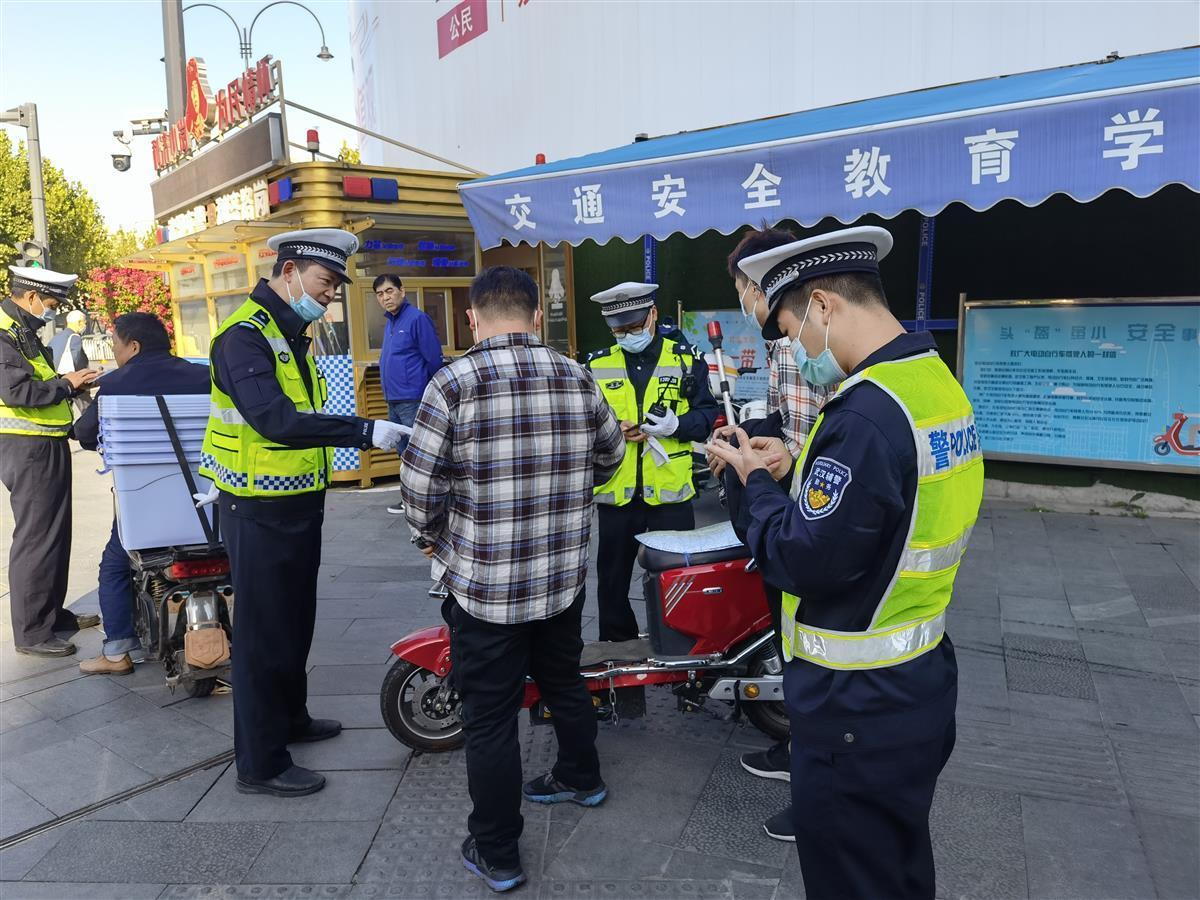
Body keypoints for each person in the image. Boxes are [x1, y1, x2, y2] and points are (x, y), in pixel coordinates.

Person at [708, 226, 983, 900]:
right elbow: (887, 507)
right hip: (917, 681)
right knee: (896, 869)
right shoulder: (931, 381)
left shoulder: (865, 415)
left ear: (824, 306)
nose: (799, 350)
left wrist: (753, 484)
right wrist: (793, 469)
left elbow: (802, 560)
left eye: (792, 330)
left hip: (856, 705)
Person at [401, 267, 624, 893]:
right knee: (564, 679)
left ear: (473, 318)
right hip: (560, 576)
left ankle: (498, 851)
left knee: (491, 718)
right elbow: (611, 454)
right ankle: (581, 776)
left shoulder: (452, 384)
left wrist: (429, 536)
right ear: (535, 316)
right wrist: (567, 491)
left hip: (485, 586)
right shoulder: (578, 376)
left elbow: (419, 486)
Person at [198, 229, 408, 798]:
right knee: (264, 636)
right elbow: (275, 420)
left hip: (295, 505)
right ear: (288, 271)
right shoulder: (243, 337)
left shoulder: (290, 334)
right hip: (255, 509)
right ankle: (260, 762)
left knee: (295, 622)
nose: (330, 295)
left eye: (336, 286)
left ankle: (291, 718)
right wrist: (364, 430)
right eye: (325, 282)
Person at [710, 227, 833, 843]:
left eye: (745, 289)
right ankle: (797, 754)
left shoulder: (822, 347)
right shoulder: (788, 347)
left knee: (814, 657)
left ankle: (818, 794)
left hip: (817, 517)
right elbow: (794, 428)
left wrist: (786, 459)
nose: (747, 304)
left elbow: (836, 441)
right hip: (790, 504)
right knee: (791, 644)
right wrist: (768, 445)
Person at [74, 312, 210, 675]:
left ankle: (117, 652)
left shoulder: (115, 384)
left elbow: (85, 434)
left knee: (114, 565)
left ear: (133, 346)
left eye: (115, 345)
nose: (115, 353)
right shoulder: (205, 377)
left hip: (144, 512)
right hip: (207, 509)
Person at [585, 282, 718, 642]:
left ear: (653, 314)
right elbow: (582, 423)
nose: (628, 335)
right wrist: (612, 430)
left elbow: (707, 416)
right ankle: (617, 649)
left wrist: (677, 426)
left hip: (670, 494)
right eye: (619, 330)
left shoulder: (686, 359)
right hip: (617, 495)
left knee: (679, 581)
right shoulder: (597, 365)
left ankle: (681, 648)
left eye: (634, 326)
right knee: (611, 583)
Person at [0, 266, 101, 657]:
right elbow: (18, 392)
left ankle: (52, 615)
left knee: (55, 534)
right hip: (26, 447)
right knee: (37, 538)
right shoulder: (4, 332)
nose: (52, 311)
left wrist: (72, 383)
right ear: (30, 297)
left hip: (45, 442)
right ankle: (32, 632)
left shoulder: (22, 329)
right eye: (51, 303)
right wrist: (67, 384)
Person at [373, 273, 443, 515]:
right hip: (393, 399)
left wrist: (431, 394)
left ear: (402, 291)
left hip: (412, 398)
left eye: (389, 291)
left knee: (419, 451)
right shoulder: (391, 323)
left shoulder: (417, 319)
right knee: (403, 451)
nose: (385, 297)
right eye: (380, 294)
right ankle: (410, 499)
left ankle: (428, 501)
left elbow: (433, 358)